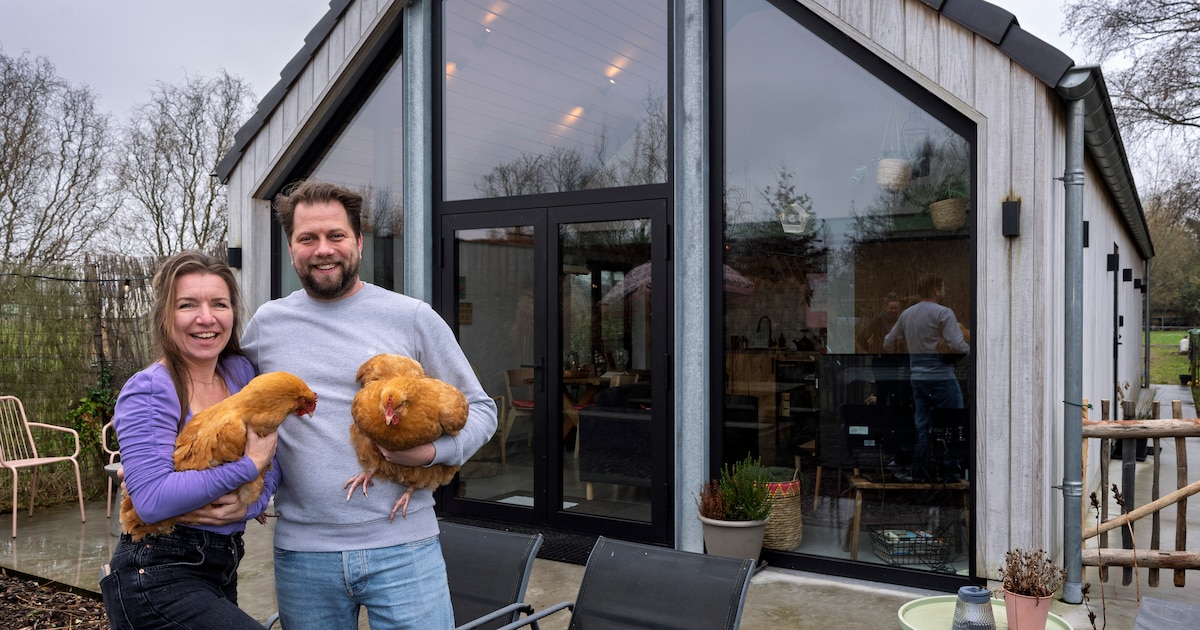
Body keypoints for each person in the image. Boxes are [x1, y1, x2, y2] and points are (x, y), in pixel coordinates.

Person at [240, 179, 498, 630]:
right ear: (291, 247)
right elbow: (231, 406)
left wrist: (432, 453)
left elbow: (482, 408)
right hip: (303, 555)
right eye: (308, 238)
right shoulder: (268, 324)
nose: (324, 249)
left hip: (405, 550)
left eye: (336, 236)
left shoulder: (411, 317)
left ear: (358, 241)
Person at [100, 251, 279, 629]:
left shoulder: (240, 373)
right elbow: (151, 501)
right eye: (187, 305)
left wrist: (250, 503)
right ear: (166, 316)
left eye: (219, 304)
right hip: (158, 570)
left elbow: (275, 458)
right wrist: (248, 467)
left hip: (221, 564)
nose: (206, 318)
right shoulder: (150, 389)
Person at [883, 273, 968, 480]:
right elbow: (957, 345)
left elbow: (888, 342)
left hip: (918, 379)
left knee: (923, 426)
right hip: (942, 378)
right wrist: (972, 352)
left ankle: (921, 473)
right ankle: (951, 474)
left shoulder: (907, 315)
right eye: (943, 287)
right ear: (937, 290)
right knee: (952, 424)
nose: (945, 291)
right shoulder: (944, 313)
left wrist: (911, 348)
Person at [856, 292, 908, 406]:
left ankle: (894, 420)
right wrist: (872, 349)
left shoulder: (901, 322)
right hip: (880, 361)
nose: (893, 311)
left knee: (896, 393)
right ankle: (881, 419)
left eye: (896, 308)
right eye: (891, 308)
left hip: (896, 361)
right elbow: (861, 338)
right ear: (885, 307)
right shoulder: (877, 321)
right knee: (882, 392)